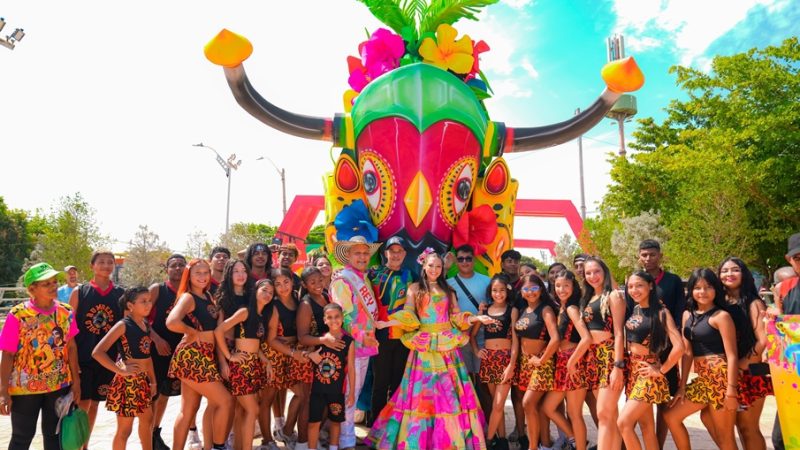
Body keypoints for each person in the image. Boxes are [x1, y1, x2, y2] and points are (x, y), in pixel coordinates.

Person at [367, 250, 495, 449]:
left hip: (446, 349)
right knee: (422, 395)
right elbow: (409, 314)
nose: (435, 270)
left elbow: (456, 317)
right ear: (423, 267)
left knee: (448, 395)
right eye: (431, 266)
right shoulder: (414, 289)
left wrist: (476, 318)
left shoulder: (449, 291)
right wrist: (388, 323)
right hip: (424, 348)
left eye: (438, 266)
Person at [0, 263, 80, 450]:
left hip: (58, 386)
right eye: (46, 284)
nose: (53, 286)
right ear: (32, 289)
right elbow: (8, 354)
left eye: (54, 281)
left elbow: (72, 348)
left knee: (54, 437)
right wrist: (3, 391)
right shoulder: (18, 315)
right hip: (25, 389)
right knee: (21, 437)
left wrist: (76, 381)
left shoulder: (65, 312)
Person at [664, 269, 739, 450]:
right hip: (703, 379)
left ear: (716, 290)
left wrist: (731, 391)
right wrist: (682, 386)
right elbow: (688, 352)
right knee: (671, 417)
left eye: (708, 287)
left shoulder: (721, 316)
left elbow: (732, 355)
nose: (703, 292)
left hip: (720, 380)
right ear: (690, 290)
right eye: (697, 288)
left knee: (726, 437)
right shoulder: (687, 315)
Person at [166, 258, 234, 450]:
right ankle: (218, 446)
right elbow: (171, 322)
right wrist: (192, 332)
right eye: (198, 273)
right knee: (225, 401)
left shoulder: (208, 296)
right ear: (189, 275)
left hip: (204, 356)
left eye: (206, 272)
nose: (203, 277)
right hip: (193, 357)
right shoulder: (188, 297)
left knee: (188, 411)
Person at [617, 272, 683, 450]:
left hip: (648, 374)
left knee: (623, 423)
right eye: (630, 286)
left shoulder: (661, 312)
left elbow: (679, 347)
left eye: (639, 285)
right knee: (646, 427)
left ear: (650, 286)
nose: (634, 290)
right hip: (634, 372)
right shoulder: (636, 309)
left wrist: (661, 370)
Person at [328, 235, 382, 450]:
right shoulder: (343, 281)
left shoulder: (363, 278)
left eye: (365, 253)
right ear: (348, 256)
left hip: (365, 345)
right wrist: (362, 336)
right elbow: (344, 317)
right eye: (357, 253)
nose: (362, 257)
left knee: (355, 392)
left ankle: (347, 435)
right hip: (351, 346)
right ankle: (345, 439)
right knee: (349, 392)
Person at [69, 250, 125, 447]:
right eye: (101, 262)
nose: (106, 266)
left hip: (107, 358)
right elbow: (69, 329)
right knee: (81, 405)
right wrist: (71, 360)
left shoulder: (120, 294)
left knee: (94, 404)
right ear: (92, 265)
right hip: (83, 357)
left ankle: (85, 444)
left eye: (110, 262)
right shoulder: (80, 292)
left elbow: (126, 326)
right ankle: (76, 445)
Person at [92, 287, 157, 450]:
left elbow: (147, 357)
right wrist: (120, 371)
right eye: (143, 301)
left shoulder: (145, 324)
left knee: (147, 422)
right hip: (127, 384)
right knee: (125, 430)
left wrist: (153, 382)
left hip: (142, 382)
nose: (148, 304)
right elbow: (98, 352)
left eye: (149, 300)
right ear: (130, 305)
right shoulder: (123, 325)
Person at [637, 239, 685, 448]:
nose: (648, 258)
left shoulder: (673, 281)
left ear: (660, 256)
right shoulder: (635, 281)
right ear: (639, 256)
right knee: (644, 403)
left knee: (665, 404)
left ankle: (659, 444)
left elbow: (680, 313)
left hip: (666, 350)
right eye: (644, 255)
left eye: (652, 254)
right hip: (643, 354)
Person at [716, 257, 768, 450]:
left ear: (743, 274)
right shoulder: (721, 303)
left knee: (749, 428)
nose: (729, 274)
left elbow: (763, 341)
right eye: (724, 271)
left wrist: (740, 366)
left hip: (751, 373)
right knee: (738, 427)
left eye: (735, 270)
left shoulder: (754, 303)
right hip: (732, 372)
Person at [215, 276, 272, 450]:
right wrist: (229, 357)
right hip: (241, 366)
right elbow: (219, 330)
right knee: (253, 410)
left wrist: (266, 361)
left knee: (242, 411)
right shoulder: (245, 311)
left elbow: (255, 345)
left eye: (271, 292)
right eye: (264, 290)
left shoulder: (261, 316)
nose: (268, 294)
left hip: (253, 365)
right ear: (255, 291)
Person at [542, 270, 592, 450]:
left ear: (573, 287)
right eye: (557, 285)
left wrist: (572, 362)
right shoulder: (561, 307)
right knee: (548, 407)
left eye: (566, 285)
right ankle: (573, 438)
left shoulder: (571, 308)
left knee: (574, 413)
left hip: (573, 363)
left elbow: (586, 338)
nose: (561, 289)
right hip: (562, 364)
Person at [368, 236, 414, 426]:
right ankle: (375, 425)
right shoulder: (373, 273)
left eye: (399, 251)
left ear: (404, 254)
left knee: (397, 384)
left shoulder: (411, 275)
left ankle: (394, 426)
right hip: (380, 335)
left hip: (403, 337)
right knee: (380, 382)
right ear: (385, 253)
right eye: (392, 251)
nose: (395, 255)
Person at [581, 256, 626, 450]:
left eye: (596, 271)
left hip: (609, 356)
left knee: (603, 414)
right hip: (592, 359)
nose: (593, 276)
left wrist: (618, 366)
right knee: (610, 415)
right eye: (588, 273)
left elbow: (619, 333)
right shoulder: (588, 298)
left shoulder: (613, 296)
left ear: (605, 272)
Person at [148, 253, 191, 450]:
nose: (177, 268)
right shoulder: (158, 289)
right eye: (173, 265)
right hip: (159, 350)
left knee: (166, 395)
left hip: (180, 353)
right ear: (167, 269)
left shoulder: (189, 292)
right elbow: (138, 318)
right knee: (154, 394)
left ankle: (155, 432)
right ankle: (147, 435)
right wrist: (156, 339)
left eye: (181, 265)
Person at [267, 268, 312, 450]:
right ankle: (275, 435)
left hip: (295, 353)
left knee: (303, 394)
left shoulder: (298, 299)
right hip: (278, 355)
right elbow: (271, 340)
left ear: (292, 282)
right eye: (277, 284)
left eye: (286, 282)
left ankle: (285, 431)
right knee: (272, 398)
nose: (283, 287)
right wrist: (292, 352)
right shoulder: (275, 306)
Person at [447, 245, 492, 418]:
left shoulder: (486, 281)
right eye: (460, 259)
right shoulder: (449, 284)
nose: (465, 262)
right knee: (464, 382)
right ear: (456, 262)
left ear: (473, 260)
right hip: (459, 339)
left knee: (484, 384)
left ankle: (489, 427)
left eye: (468, 258)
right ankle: (468, 424)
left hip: (482, 339)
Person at [516, 274, 560, 450]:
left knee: (528, 403)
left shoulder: (546, 310)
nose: (530, 292)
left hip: (542, 363)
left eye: (534, 288)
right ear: (521, 292)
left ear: (541, 289)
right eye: (526, 289)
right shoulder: (523, 310)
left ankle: (533, 447)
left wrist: (542, 360)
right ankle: (544, 444)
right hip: (526, 364)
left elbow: (555, 338)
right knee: (533, 407)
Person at [475, 274, 518, 450]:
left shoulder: (512, 310)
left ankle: (488, 440)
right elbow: (472, 335)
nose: (498, 294)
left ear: (507, 291)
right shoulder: (484, 311)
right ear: (490, 292)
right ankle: (502, 440)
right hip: (489, 359)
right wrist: (477, 351)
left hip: (505, 359)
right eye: (494, 290)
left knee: (499, 403)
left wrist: (511, 365)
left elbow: (516, 341)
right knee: (495, 404)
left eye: (501, 290)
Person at [306, 303, 356, 450]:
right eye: (330, 317)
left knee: (335, 421)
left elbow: (351, 368)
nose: (334, 320)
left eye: (337, 317)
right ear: (324, 320)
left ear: (342, 318)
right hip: (317, 390)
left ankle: (333, 447)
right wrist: (310, 355)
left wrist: (352, 392)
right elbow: (308, 355)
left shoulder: (348, 342)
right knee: (313, 422)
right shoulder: (318, 339)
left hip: (336, 391)